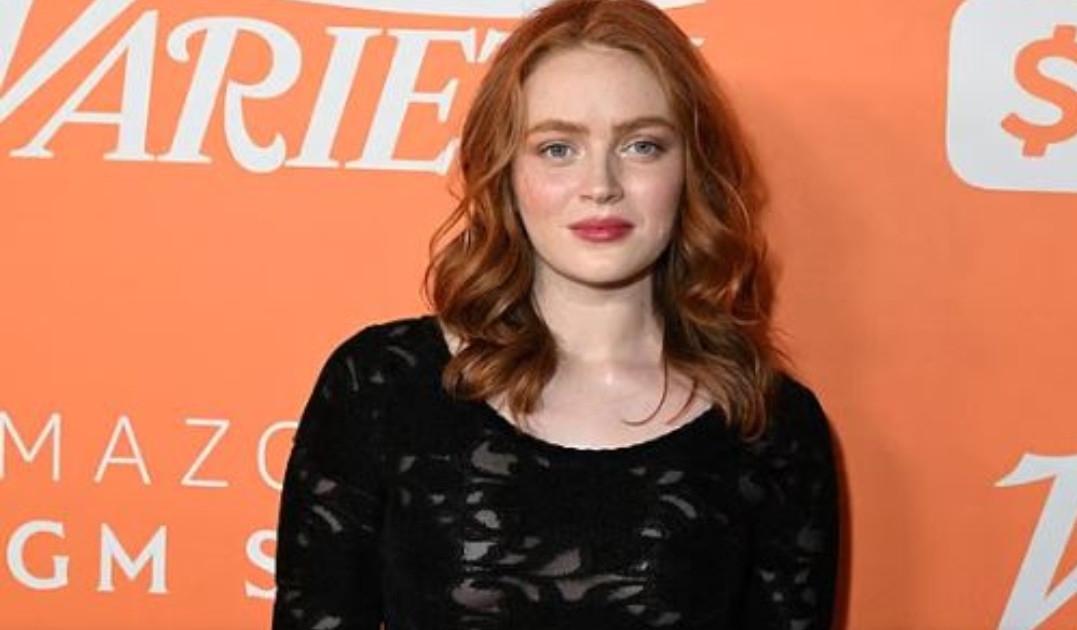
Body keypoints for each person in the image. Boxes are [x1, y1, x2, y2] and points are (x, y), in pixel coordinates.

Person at [271, 0, 840, 628]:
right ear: (505, 170)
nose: (601, 184)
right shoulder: (380, 385)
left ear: (691, 168)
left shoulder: (769, 424)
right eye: (558, 148)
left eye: (642, 145)